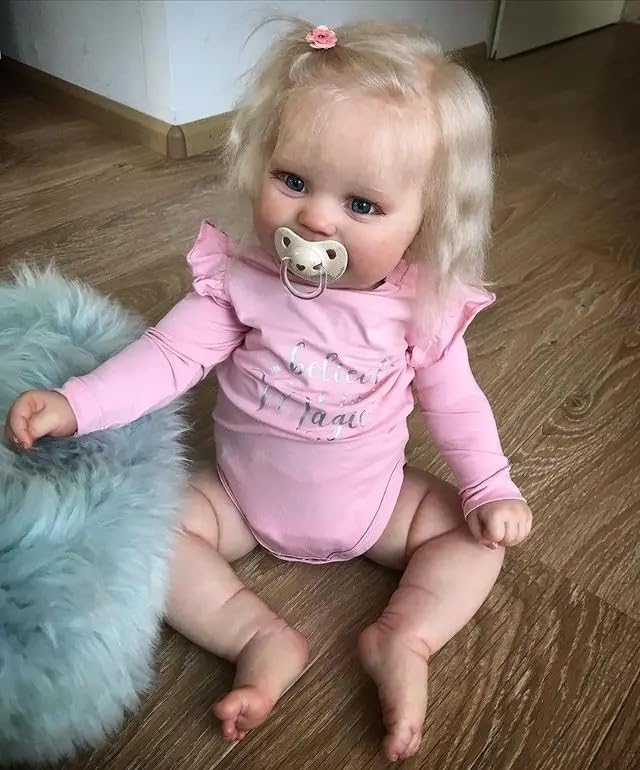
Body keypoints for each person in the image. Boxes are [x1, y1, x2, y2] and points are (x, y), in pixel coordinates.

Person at [5, 20, 533, 762]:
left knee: (476, 542)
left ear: (425, 222)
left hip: (379, 506)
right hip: (239, 499)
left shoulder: (420, 309)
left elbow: (456, 404)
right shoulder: (241, 281)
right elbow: (166, 357)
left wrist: (489, 486)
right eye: (293, 181)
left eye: (362, 205)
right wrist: (78, 403)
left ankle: (406, 636)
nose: (314, 217)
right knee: (144, 532)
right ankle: (256, 635)